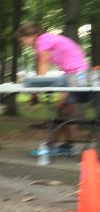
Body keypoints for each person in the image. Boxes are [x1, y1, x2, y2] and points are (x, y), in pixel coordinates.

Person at [15, 22, 90, 157]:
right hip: (73, 74)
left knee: (62, 109)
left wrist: (35, 89)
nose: (23, 44)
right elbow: (39, 67)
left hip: (77, 75)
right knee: (63, 110)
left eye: (22, 40)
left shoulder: (42, 40)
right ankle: (66, 146)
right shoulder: (43, 42)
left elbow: (43, 65)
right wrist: (34, 92)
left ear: (31, 35)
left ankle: (54, 146)